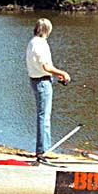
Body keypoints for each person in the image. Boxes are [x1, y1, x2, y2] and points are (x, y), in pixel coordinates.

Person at [26, 18, 71, 163]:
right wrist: (62, 73)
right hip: (42, 82)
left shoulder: (32, 42)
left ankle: (44, 149)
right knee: (44, 116)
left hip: (36, 80)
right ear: (47, 30)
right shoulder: (41, 44)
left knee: (42, 115)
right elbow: (46, 67)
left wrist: (55, 74)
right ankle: (43, 150)